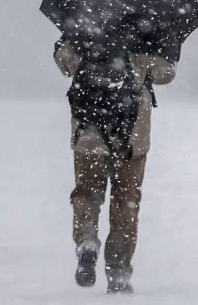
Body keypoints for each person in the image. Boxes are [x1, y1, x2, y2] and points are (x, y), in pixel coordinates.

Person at [55, 36, 176, 294]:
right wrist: (163, 49)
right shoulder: (145, 29)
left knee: (86, 192)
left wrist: (67, 44)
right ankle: (119, 270)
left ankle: (86, 240)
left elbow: (65, 63)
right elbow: (165, 73)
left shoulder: (83, 26)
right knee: (126, 200)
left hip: (89, 135)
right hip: (132, 138)